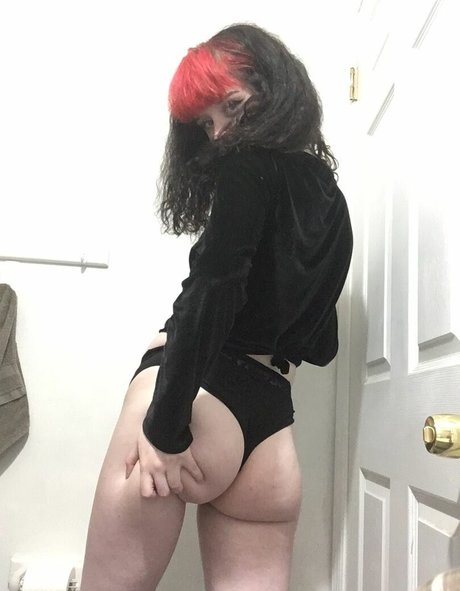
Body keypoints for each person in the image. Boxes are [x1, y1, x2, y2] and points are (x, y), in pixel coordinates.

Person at [80, 22, 353, 591]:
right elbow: (320, 344)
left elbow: (215, 286)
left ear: (274, 87)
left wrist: (163, 428)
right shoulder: (334, 200)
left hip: (193, 405)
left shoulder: (247, 165)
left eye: (230, 106)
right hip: (271, 433)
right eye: (206, 124)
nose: (221, 132)